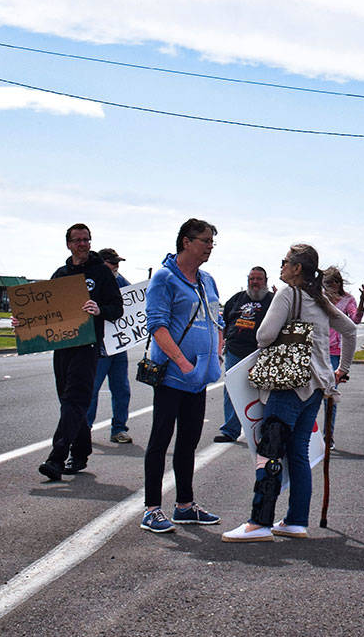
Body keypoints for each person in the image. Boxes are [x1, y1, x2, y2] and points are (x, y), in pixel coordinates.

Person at [223, 243, 355, 542]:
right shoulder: (318, 298)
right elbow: (349, 330)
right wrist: (342, 368)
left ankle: (259, 522)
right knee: (297, 453)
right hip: (318, 386)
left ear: (296, 268)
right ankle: (296, 520)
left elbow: (264, 336)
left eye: (284, 262)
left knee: (270, 451)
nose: (281, 266)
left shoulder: (287, 294)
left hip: (287, 384)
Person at [139, 219, 223, 534]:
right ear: (186, 242)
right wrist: (182, 364)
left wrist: (216, 354)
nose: (210, 246)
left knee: (189, 440)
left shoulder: (208, 280)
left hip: (198, 376)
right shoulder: (164, 279)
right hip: (173, 376)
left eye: (212, 241)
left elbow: (218, 318)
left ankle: (185, 505)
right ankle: (151, 509)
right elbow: (157, 325)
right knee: (161, 439)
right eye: (205, 241)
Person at [30, 224, 123, 482]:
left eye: (86, 239)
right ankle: (81, 451)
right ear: (68, 244)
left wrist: (100, 309)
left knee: (75, 399)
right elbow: (43, 312)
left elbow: (117, 308)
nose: (83, 244)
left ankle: (56, 458)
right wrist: (24, 323)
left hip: (87, 346)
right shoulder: (60, 274)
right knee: (68, 401)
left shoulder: (102, 273)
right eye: (77, 240)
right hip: (62, 347)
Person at [215, 266, 273, 443]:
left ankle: (263, 432)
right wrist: (221, 346)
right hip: (235, 352)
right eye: (252, 279)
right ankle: (230, 430)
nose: (255, 282)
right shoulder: (236, 299)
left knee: (263, 393)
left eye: (259, 279)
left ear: (265, 281)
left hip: (260, 353)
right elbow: (222, 323)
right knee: (231, 390)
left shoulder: (273, 300)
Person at [86, 248, 133, 445]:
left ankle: (119, 429)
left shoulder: (121, 281)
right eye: (113, 263)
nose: (116, 267)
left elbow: (135, 301)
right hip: (98, 346)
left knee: (122, 389)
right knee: (91, 390)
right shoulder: (92, 280)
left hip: (119, 345)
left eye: (118, 263)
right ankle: (84, 430)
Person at [322, 266, 364, 443]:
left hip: (335, 353)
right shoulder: (320, 298)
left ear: (338, 283)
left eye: (332, 283)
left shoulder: (348, 300)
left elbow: (355, 320)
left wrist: (363, 300)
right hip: (318, 349)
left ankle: (328, 437)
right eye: (326, 283)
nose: (329, 287)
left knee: (329, 396)